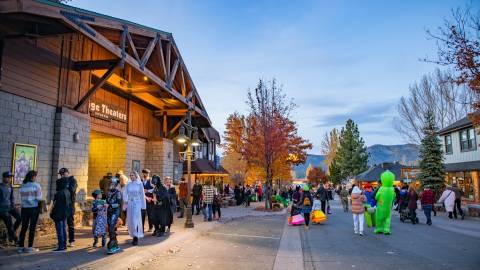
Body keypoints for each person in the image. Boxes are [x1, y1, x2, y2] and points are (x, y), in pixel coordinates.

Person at [17, 171, 42, 253]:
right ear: (33, 177)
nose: (36, 178)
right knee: (32, 228)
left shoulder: (22, 185)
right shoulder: (36, 185)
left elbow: (21, 196)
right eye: (35, 176)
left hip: (24, 208)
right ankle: (30, 247)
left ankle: (20, 247)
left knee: (23, 227)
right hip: (33, 208)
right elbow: (39, 198)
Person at [50, 174, 72, 252]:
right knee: (63, 229)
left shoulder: (60, 193)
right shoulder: (67, 191)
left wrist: (53, 214)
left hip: (59, 214)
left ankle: (61, 246)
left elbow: (56, 205)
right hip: (65, 213)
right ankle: (64, 245)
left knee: (60, 230)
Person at [123, 172, 146, 246]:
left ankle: (136, 237)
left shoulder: (140, 184)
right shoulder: (128, 184)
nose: (131, 176)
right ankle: (133, 235)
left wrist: (143, 206)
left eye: (132, 175)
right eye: (130, 175)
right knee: (130, 220)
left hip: (137, 203)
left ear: (136, 176)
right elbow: (125, 193)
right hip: (130, 203)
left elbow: (142, 195)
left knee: (135, 219)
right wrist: (126, 200)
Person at [58, 168, 77, 247]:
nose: (62, 175)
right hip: (62, 205)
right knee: (62, 223)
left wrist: (65, 184)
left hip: (69, 205)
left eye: (63, 174)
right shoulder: (61, 181)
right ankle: (62, 240)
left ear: (67, 173)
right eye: (61, 174)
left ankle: (71, 240)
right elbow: (58, 190)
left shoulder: (73, 180)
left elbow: (72, 190)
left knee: (70, 223)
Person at [0, 171, 20, 245]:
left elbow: (12, 197)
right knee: (9, 224)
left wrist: (13, 205)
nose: (9, 179)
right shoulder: (0, 187)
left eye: (10, 177)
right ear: (4, 178)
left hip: (10, 207)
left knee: (20, 217)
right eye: (8, 177)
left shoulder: (10, 187)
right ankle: (16, 239)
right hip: (2, 209)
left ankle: (11, 233)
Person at [374, 170, 396, 235]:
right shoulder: (392, 189)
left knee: (379, 218)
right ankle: (386, 229)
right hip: (388, 207)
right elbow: (394, 196)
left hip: (381, 206)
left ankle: (379, 229)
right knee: (388, 218)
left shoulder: (381, 188)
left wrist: (379, 199)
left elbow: (376, 196)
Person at [106, 179, 122, 254]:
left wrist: (110, 205)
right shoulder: (108, 192)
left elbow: (119, 204)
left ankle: (112, 245)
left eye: (113, 184)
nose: (111, 185)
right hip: (109, 211)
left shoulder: (118, 193)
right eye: (110, 183)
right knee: (110, 227)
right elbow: (107, 201)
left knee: (111, 227)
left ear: (115, 185)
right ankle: (115, 244)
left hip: (115, 212)